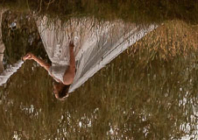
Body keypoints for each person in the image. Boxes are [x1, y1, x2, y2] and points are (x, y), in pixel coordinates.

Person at [24, 15, 156, 100]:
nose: (54, 90)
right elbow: (72, 66)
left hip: (55, 53)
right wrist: (71, 50)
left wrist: (33, 57)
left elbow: (46, 66)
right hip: (64, 55)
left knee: (56, 30)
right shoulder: (67, 80)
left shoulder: (57, 78)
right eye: (56, 92)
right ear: (61, 90)